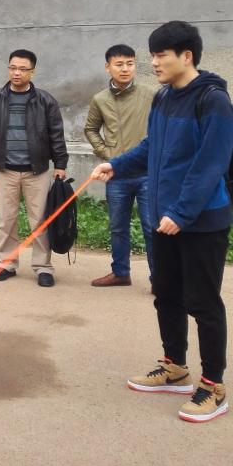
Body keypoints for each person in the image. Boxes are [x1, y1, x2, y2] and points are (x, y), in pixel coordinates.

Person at [92, 21, 233, 423]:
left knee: (203, 303)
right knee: (167, 294)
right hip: (166, 218)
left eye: (160, 55)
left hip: (201, 221)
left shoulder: (212, 100)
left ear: (186, 56)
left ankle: (214, 386)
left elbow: (210, 164)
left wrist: (182, 212)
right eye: (151, 55)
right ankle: (175, 367)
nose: (152, 63)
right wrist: (116, 166)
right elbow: (151, 147)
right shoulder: (164, 97)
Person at [0, 49, 68, 287]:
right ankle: (6, 263)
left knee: (40, 221)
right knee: (6, 219)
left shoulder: (45, 101)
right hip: (5, 170)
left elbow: (56, 134)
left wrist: (60, 164)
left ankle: (43, 267)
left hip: (37, 171)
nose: (17, 73)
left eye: (23, 69)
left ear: (32, 72)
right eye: (13, 68)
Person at [84, 44, 156, 286]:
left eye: (130, 63)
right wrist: (107, 153)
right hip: (116, 174)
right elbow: (91, 129)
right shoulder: (100, 99)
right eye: (119, 64)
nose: (125, 69)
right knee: (117, 227)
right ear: (108, 67)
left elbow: (161, 128)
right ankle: (120, 272)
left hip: (147, 173)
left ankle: (160, 279)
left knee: (151, 227)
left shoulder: (150, 95)